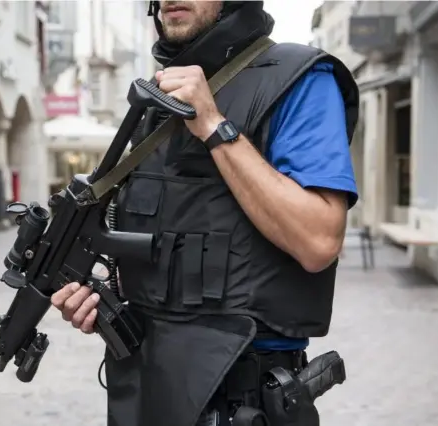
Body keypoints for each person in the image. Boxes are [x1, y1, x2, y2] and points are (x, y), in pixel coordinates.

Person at [51, 1, 359, 425]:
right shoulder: (157, 97)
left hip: (241, 397)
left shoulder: (299, 80)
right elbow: (171, 238)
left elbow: (319, 241)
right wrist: (106, 297)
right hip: (147, 390)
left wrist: (214, 125)